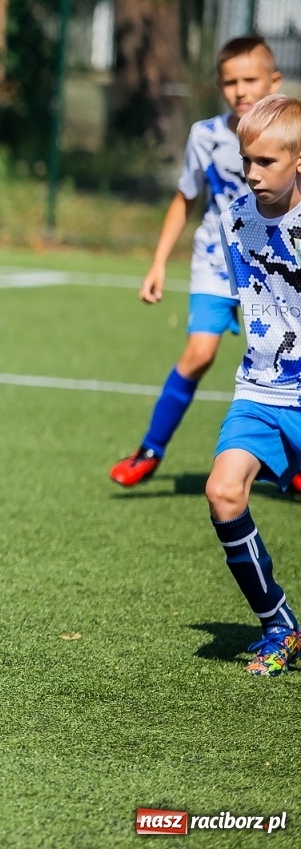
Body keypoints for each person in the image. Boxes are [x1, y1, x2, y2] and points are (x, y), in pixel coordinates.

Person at [110, 36, 283, 486]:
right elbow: (185, 200)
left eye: (250, 80)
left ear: (274, 82)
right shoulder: (205, 136)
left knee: (284, 359)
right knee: (199, 354)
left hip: (276, 271)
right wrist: (158, 263)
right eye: (230, 82)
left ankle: (289, 458)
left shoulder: (289, 140)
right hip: (216, 262)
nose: (240, 91)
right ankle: (151, 448)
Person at [201, 93, 301, 676]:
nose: (253, 174)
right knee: (223, 491)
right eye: (248, 161)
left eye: (267, 162)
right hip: (261, 392)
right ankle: (278, 624)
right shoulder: (235, 217)